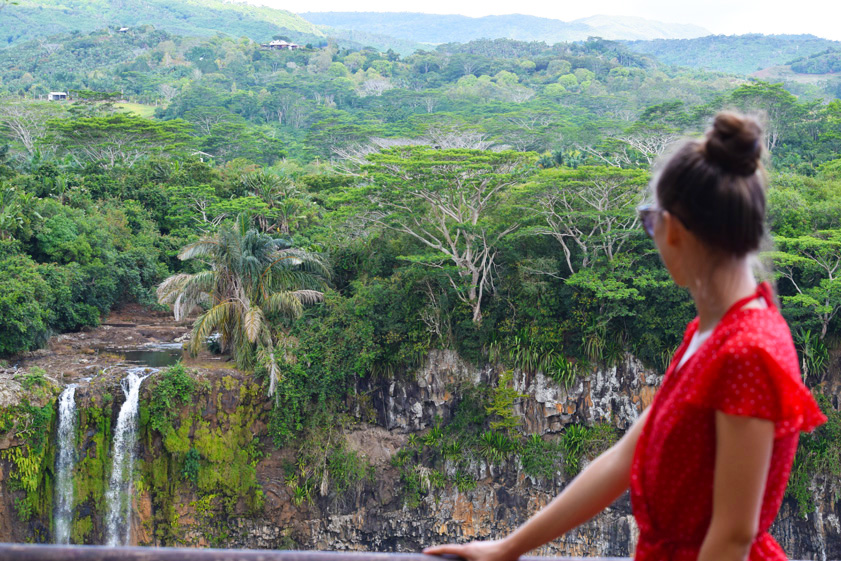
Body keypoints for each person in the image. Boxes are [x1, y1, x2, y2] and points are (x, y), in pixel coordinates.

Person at [423, 112, 827, 561]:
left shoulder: (747, 352)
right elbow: (621, 459)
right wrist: (509, 547)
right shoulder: (712, 332)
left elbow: (732, 536)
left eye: (649, 222)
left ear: (672, 228)